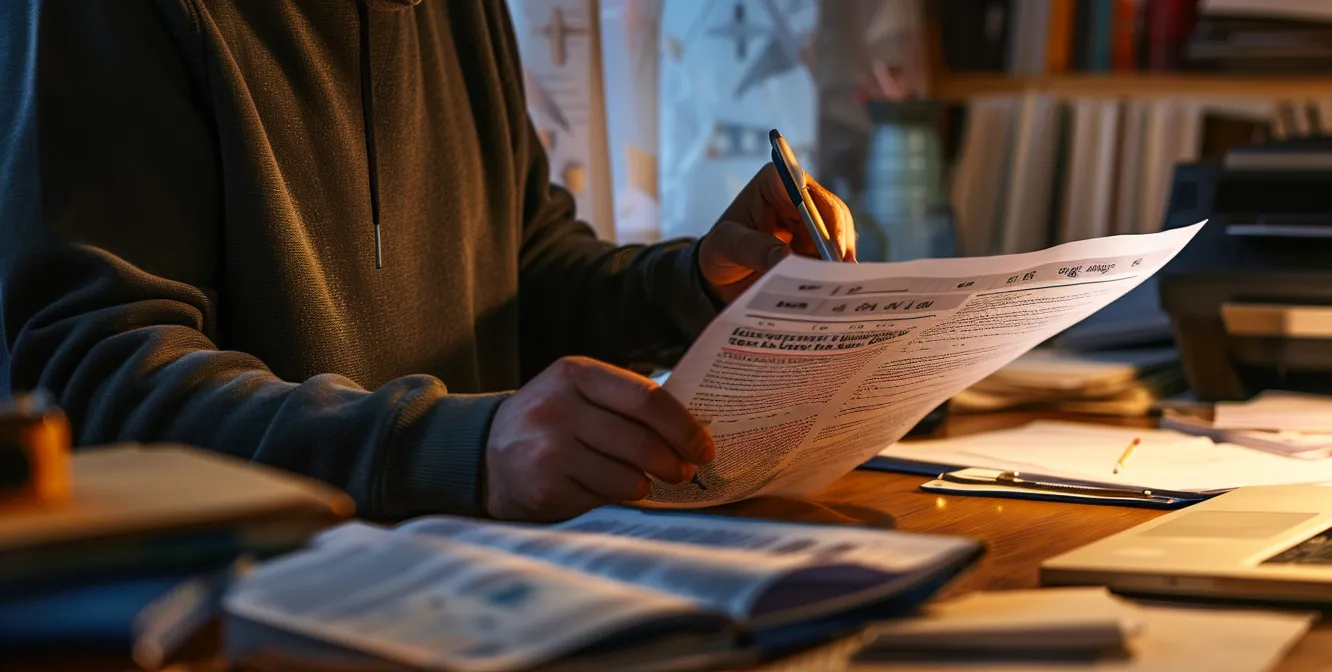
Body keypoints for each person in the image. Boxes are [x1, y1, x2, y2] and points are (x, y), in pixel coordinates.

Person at [0, 0, 855, 521]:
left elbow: (522, 271)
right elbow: (95, 378)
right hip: (250, 618)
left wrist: (703, 280)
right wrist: (461, 450)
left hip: (473, 591)